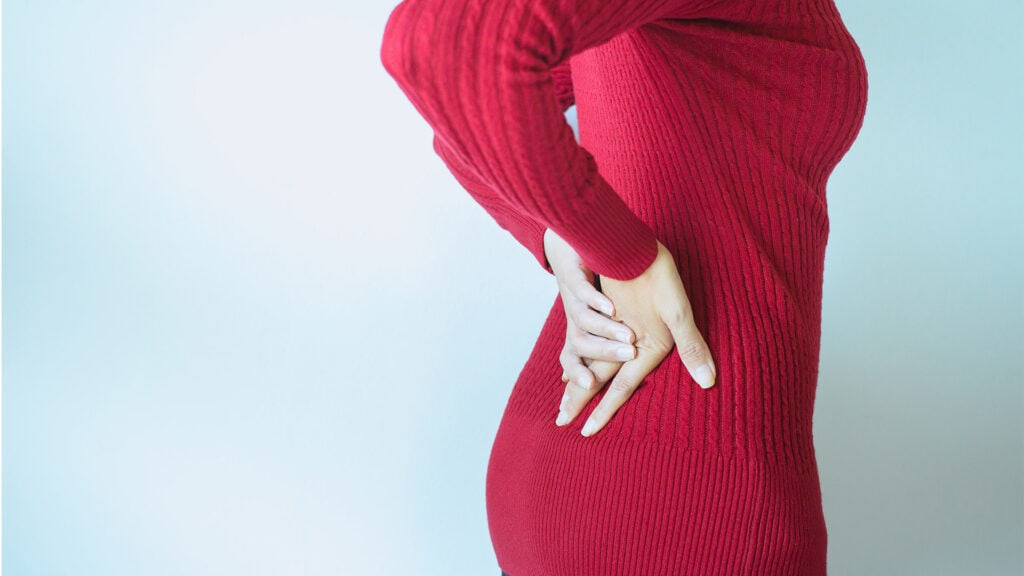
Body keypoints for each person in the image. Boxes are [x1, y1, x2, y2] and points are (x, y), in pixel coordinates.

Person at [380, 0, 868, 574]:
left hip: (614, 449)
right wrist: (618, 254)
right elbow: (448, 50)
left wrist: (556, 234)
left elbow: (463, 104)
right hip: (680, 491)